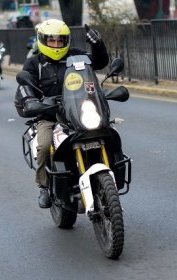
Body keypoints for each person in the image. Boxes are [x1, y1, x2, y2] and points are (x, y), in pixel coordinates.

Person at [18, 19, 109, 208]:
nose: (57, 45)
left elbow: (99, 62)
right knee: (43, 146)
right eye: (52, 41)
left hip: (78, 112)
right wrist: (30, 101)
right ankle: (43, 185)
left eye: (60, 41)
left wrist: (97, 44)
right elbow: (25, 86)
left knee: (106, 130)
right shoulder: (35, 63)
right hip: (50, 115)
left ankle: (109, 171)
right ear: (43, 40)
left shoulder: (76, 56)